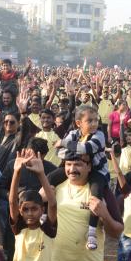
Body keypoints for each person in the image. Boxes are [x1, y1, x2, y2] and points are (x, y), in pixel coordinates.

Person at [52, 150, 123, 261]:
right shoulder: (56, 187)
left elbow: (117, 231)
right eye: (68, 164)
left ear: (89, 166)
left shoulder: (101, 191)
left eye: (78, 164)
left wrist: (104, 214)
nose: (72, 169)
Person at [51, 105, 109, 250]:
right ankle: (45, 214)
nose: (94, 124)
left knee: (95, 196)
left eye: (96, 120)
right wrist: (76, 151)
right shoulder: (74, 133)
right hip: (77, 167)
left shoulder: (99, 135)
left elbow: (85, 149)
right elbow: (60, 154)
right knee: (50, 178)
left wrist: (64, 143)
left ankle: (91, 232)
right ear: (78, 123)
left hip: (97, 172)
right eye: (89, 121)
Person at [8, 150, 57, 261]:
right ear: (20, 211)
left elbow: (53, 203)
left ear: (42, 210)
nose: (30, 213)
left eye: (34, 209)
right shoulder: (18, 229)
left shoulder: (48, 230)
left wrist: (41, 174)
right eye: (25, 209)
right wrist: (16, 172)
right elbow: (12, 202)